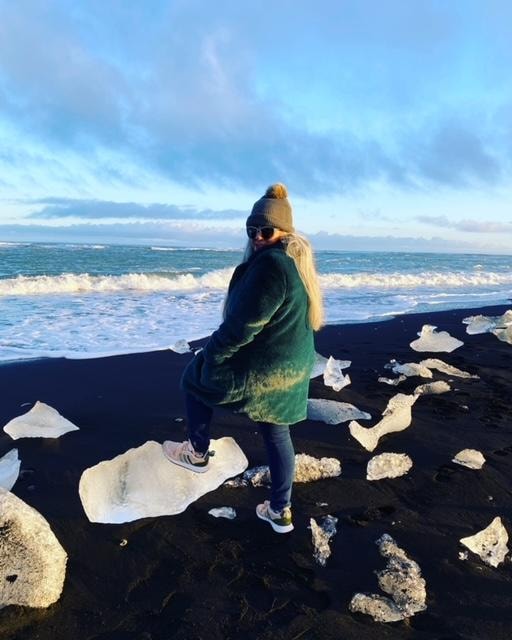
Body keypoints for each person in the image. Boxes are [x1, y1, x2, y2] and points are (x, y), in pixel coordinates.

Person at [163, 183, 324, 533]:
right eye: (252, 231)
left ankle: (197, 453)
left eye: (266, 230)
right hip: (290, 367)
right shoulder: (294, 263)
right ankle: (280, 510)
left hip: (268, 370)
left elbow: (241, 327)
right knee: (276, 432)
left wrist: (211, 355)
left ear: (284, 232)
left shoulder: (271, 267)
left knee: (194, 379)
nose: (258, 237)